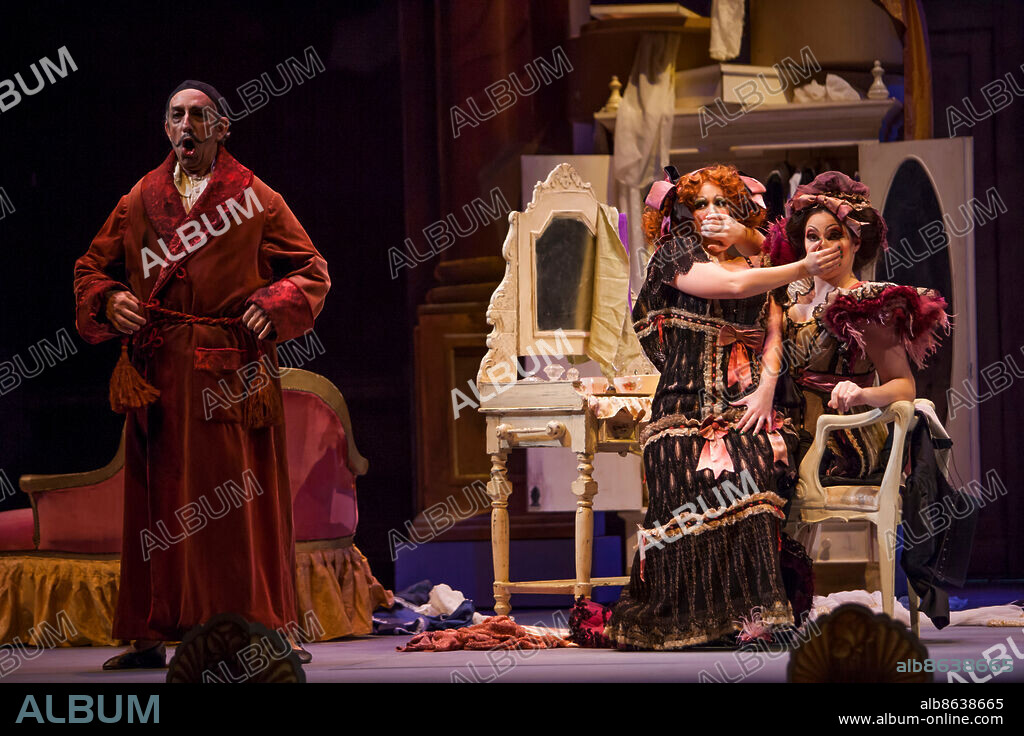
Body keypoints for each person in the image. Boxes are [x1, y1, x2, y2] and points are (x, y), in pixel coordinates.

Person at [73, 80, 330, 669]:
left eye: (199, 115)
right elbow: (91, 267)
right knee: (157, 503)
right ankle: (149, 633)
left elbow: (312, 269)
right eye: (176, 115)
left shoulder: (255, 197)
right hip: (158, 371)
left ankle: (263, 630)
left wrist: (274, 302)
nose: (186, 125)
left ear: (222, 128)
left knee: (238, 507)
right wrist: (109, 298)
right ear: (166, 128)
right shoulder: (140, 197)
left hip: (230, 371)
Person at [604, 164, 842, 649]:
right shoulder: (674, 254)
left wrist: (768, 388)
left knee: (755, 462)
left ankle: (750, 615)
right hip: (682, 404)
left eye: (721, 203)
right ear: (683, 212)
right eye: (700, 204)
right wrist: (804, 267)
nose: (710, 212)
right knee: (687, 467)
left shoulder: (761, 264)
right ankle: (689, 615)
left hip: (747, 402)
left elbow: (774, 332)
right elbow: (730, 288)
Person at [764, 171, 949, 481]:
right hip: (789, 434)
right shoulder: (788, 299)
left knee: (769, 473)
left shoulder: (864, 305)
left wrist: (862, 394)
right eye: (812, 236)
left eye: (834, 235)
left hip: (842, 441)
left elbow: (904, 387)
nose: (821, 245)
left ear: (855, 242)